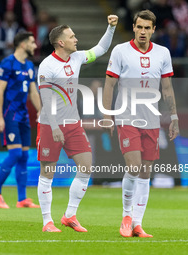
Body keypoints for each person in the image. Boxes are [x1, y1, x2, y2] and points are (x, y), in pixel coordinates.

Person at [37, 15, 118, 232]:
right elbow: (45, 99)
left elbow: (100, 49)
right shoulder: (47, 65)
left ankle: (69, 215)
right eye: (72, 36)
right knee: (48, 172)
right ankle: (47, 222)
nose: (76, 39)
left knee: (86, 167)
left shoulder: (77, 58)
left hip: (73, 123)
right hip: (49, 124)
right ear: (60, 42)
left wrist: (110, 27)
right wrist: (54, 127)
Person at [103, 10, 179, 238]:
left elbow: (167, 88)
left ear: (154, 30)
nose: (143, 31)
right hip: (127, 117)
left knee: (146, 173)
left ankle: (137, 223)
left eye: (148, 28)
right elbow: (109, 85)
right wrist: (108, 114)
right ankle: (126, 216)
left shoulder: (163, 53)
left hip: (152, 119)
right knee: (134, 167)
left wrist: (174, 117)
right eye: (139, 27)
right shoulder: (120, 51)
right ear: (134, 28)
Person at [0, 31, 41, 209]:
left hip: (23, 115)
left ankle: (22, 199)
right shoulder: (8, 63)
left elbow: (33, 91)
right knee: (16, 154)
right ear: (23, 44)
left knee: (24, 155)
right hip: (10, 114)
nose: (35, 46)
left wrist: (41, 110)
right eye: (32, 42)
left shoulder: (29, 65)